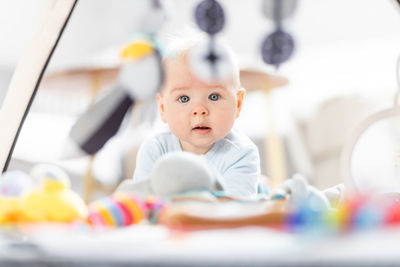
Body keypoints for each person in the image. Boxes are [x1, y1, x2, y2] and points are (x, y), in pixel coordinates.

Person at [131, 34, 261, 197]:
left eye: (214, 96)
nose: (199, 110)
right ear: (163, 108)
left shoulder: (242, 153)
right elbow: (141, 203)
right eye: (183, 98)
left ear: (238, 104)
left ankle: (261, 185)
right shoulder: (156, 149)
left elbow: (237, 209)